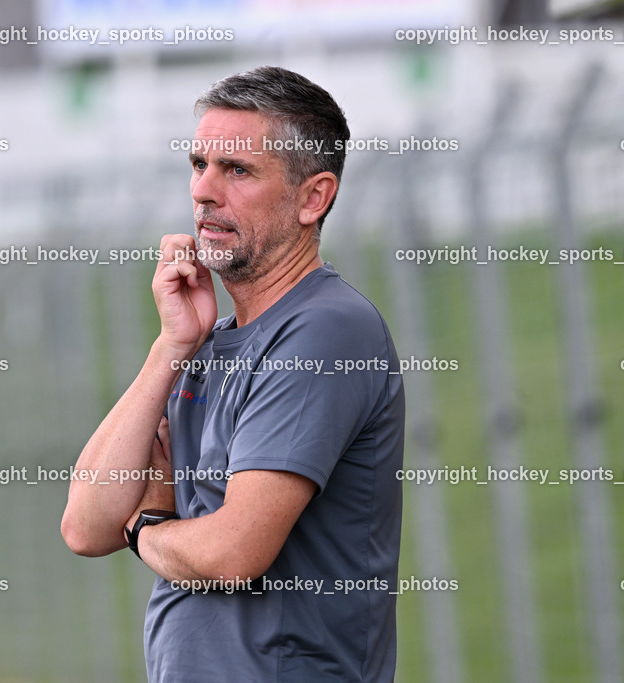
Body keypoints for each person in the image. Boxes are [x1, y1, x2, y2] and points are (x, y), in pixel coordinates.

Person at [61, 65, 405, 682]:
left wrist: (147, 529)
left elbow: (233, 553)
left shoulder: (326, 329)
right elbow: (85, 525)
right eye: (199, 164)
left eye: (237, 170)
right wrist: (172, 344)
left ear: (313, 198)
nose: (203, 191)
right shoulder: (208, 345)